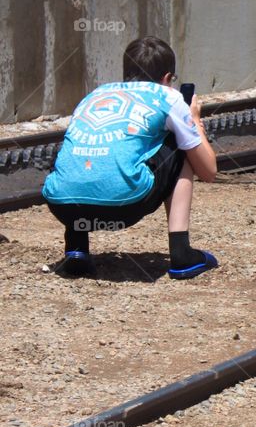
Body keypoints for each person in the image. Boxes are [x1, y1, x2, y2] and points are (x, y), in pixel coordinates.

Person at [42, 36, 218, 279]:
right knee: (180, 145)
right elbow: (209, 171)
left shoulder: (96, 94)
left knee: (78, 154)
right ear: (167, 79)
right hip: (125, 206)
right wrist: (194, 120)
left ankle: (76, 250)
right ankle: (181, 253)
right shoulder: (168, 97)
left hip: (63, 206)